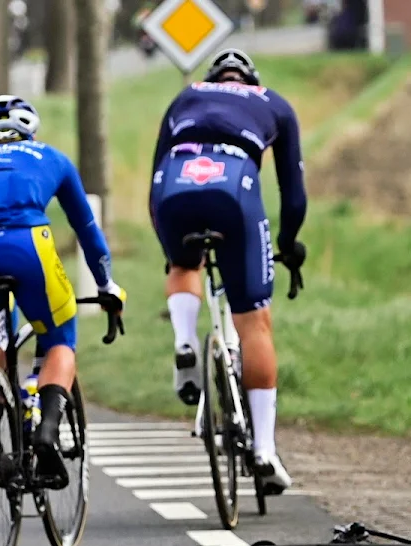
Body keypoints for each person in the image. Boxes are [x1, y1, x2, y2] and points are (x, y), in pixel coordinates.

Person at [0, 95, 125, 488]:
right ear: (31, 133)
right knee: (59, 335)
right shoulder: (51, 157)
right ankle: (47, 429)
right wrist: (106, 284)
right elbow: (87, 231)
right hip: (28, 244)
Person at [149, 48, 308, 493]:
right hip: (233, 189)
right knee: (254, 319)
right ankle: (264, 451)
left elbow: (153, 177)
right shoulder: (273, 102)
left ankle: (184, 344)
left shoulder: (186, 96)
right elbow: (293, 194)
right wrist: (288, 243)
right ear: (250, 80)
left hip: (174, 189)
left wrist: (168, 242)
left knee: (183, 265)